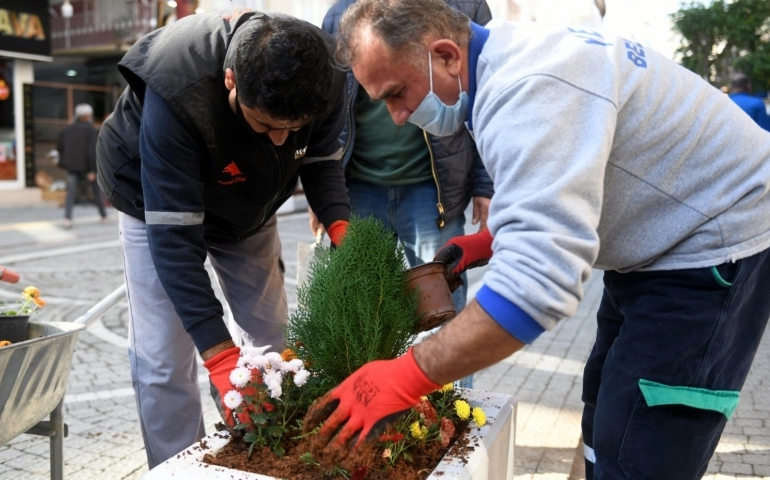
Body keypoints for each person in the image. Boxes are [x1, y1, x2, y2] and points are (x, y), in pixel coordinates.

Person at [302, 1, 770, 479]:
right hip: (656, 247)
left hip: (711, 251)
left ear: (445, 56)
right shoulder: (506, 62)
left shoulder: (527, 88)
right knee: (605, 411)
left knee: (641, 445)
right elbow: (561, 174)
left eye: (397, 93)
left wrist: (406, 376)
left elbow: (536, 290)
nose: (397, 117)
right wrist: (489, 238)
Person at [96, 9, 350, 468]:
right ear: (230, 80)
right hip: (152, 200)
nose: (279, 141)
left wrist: (341, 228)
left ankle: (264, 457)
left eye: (291, 129)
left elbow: (320, 163)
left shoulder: (327, 72)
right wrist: (218, 358)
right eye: (266, 124)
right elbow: (175, 241)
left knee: (273, 341)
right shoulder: (178, 86)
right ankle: (179, 471)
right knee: (164, 362)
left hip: (248, 206)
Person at [316, 0, 494, 388]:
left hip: (432, 192)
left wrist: (484, 183)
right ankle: (362, 400)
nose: (398, 114)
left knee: (441, 307)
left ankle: (453, 412)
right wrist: (324, 195)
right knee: (358, 308)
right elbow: (328, 109)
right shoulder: (339, 15)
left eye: (397, 93)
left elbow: (483, 97)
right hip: (358, 187)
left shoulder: (464, 6)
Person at [57, 103, 107, 229]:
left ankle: (67, 218)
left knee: (71, 193)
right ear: (88, 116)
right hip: (87, 168)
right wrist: (92, 169)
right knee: (96, 191)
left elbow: (60, 148)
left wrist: (65, 163)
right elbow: (92, 150)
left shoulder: (67, 130)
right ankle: (103, 216)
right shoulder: (90, 130)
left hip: (72, 167)